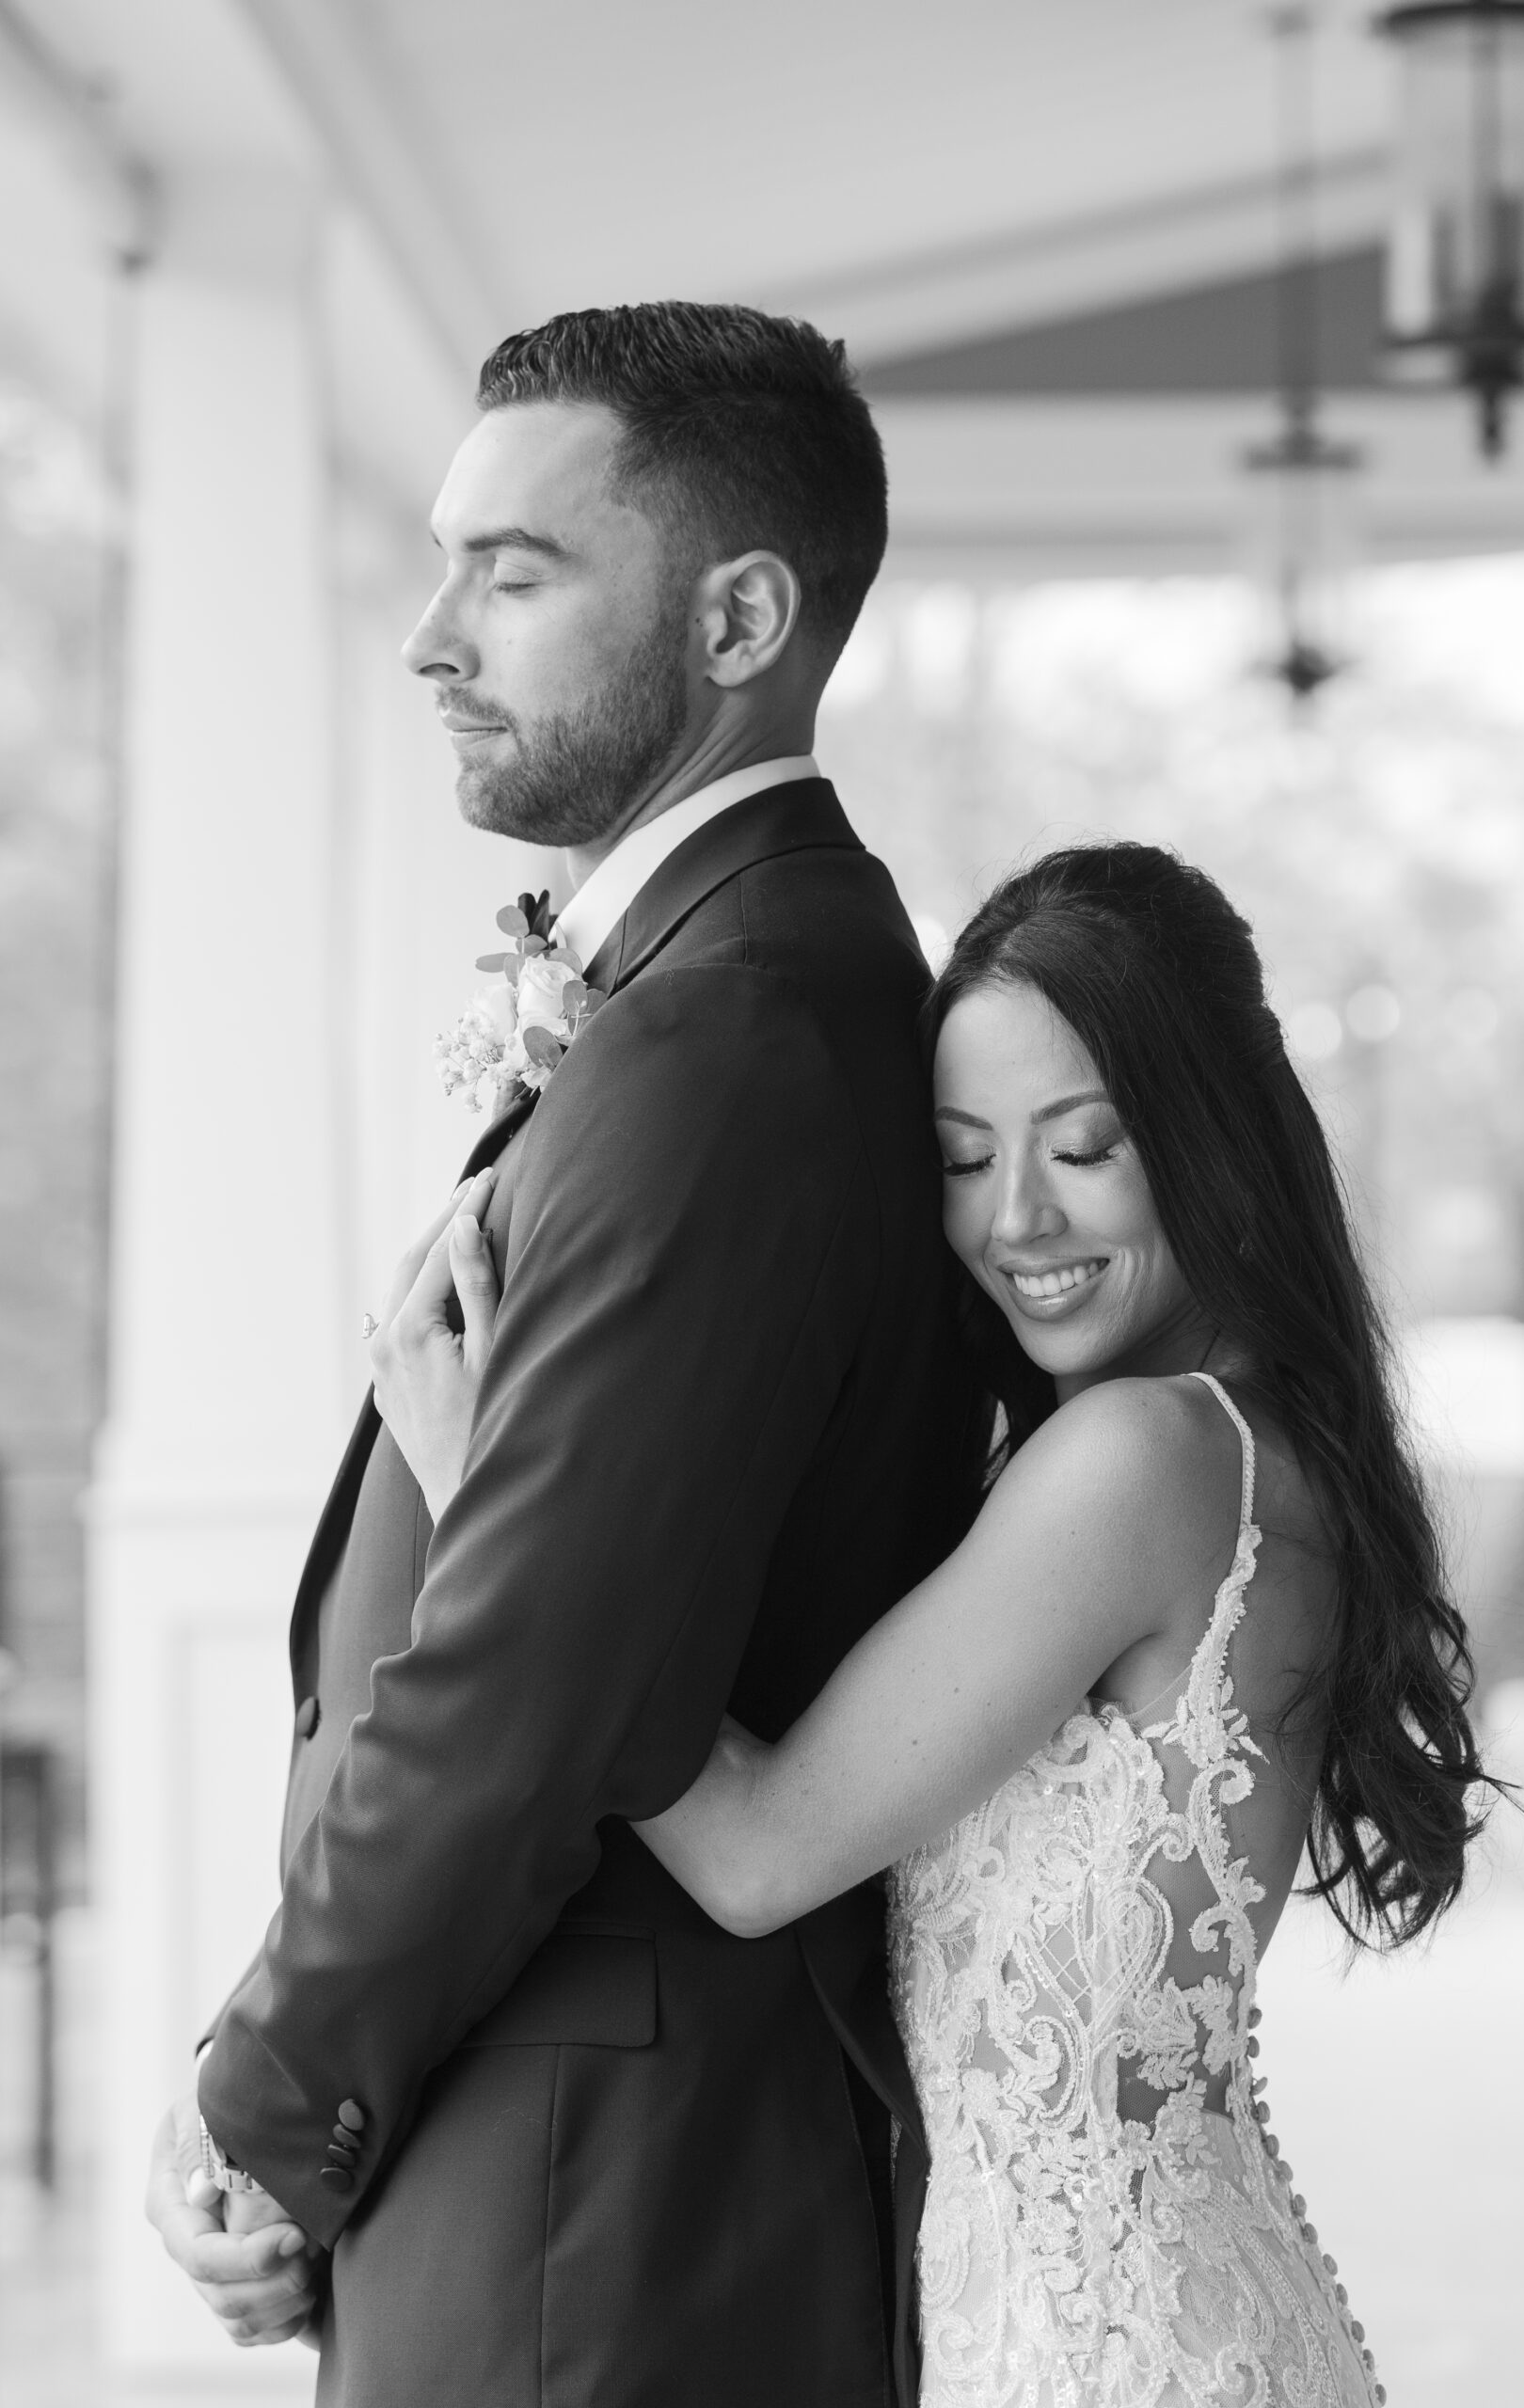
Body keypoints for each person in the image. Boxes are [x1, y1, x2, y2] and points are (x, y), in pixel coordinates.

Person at [145, 300, 980, 2407]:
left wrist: (261, 2100)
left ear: (739, 618)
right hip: (552, 2149)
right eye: (444, 566)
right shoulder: (718, 981)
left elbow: (528, 1682)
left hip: (595, 2219)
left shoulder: (733, 1039)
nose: (434, 636)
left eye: (512, 575)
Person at [381, 841, 1493, 2408]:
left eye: (1085, 1147)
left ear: (1210, 1139)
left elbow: (761, 1855)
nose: (1017, 1219)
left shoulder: (1139, 1463)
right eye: (964, 1160)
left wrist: (499, 1508)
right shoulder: (1249, 1442)